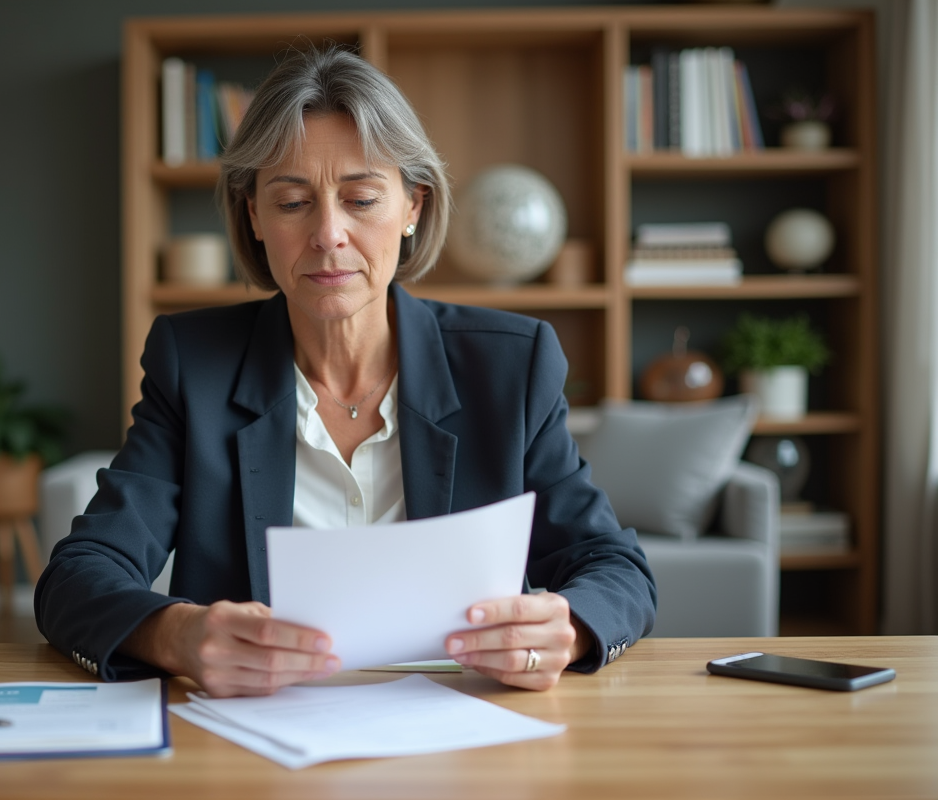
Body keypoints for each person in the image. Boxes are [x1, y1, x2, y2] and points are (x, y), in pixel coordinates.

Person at [35, 47, 655, 698]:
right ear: (254, 215)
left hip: (465, 731)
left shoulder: (509, 364)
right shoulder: (195, 366)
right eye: (293, 202)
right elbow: (78, 575)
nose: (329, 234)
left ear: (414, 206)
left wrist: (570, 627)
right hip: (252, 745)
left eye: (360, 199)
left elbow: (615, 568)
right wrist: (177, 634)